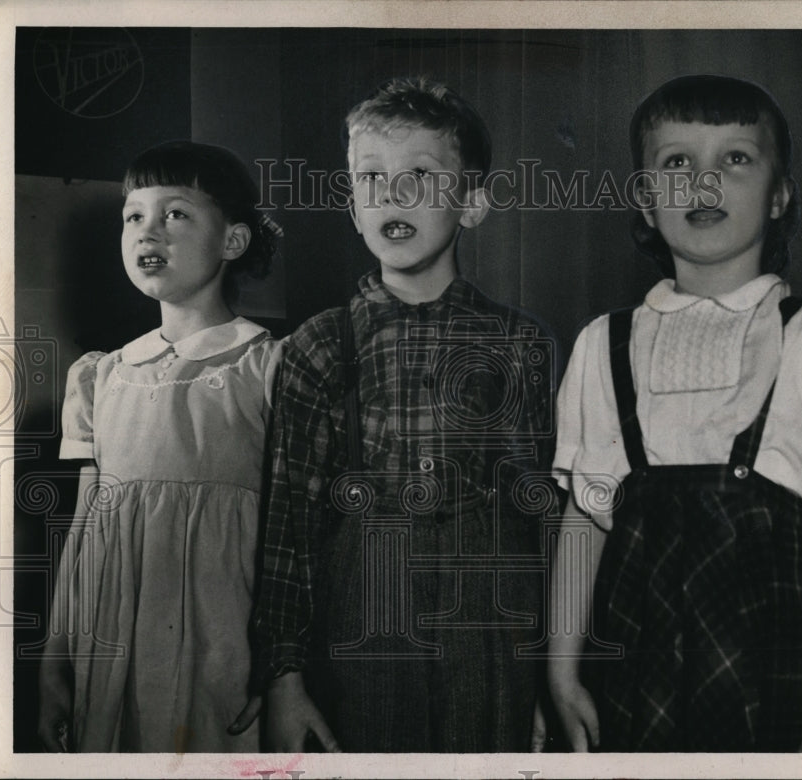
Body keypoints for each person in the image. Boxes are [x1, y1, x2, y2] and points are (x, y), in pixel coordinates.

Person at [548, 74, 802, 752]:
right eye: (677, 162)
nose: (704, 183)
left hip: (775, 678)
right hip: (637, 681)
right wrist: (560, 673)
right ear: (646, 200)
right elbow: (584, 524)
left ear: (780, 195)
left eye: (735, 158)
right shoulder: (603, 345)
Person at [253, 76, 556, 752]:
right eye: (371, 178)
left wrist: (543, 679)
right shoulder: (319, 345)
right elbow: (289, 528)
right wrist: (284, 677)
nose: (393, 194)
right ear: (353, 208)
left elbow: (537, 521)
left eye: (420, 175)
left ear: (471, 203)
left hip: (489, 621)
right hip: (363, 613)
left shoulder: (518, 341)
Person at [37, 141, 284, 752]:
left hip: (223, 641)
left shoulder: (269, 365)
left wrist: (283, 665)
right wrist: (54, 662)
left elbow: (295, 536)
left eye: (175, 214)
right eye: (134, 216)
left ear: (233, 241)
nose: (149, 232)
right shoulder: (101, 376)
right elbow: (83, 531)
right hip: (111, 639)